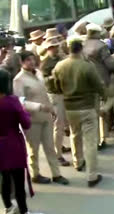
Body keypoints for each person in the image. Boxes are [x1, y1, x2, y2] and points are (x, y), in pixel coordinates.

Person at [53, 36, 105, 187]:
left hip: (70, 107)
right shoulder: (87, 66)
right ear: (81, 49)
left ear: (68, 50)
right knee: (90, 141)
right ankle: (92, 175)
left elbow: (55, 87)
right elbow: (98, 85)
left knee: (75, 135)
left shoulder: (60, 66)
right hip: (87, 106)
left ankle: (78, 162)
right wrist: (104, 96)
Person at [13, 51, 69, 185]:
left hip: (46, 116)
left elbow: (45, 92)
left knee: (50, 147)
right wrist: (39, 107)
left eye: (32, 59)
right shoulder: (18, 80)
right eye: (27, 60)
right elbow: (20, 102)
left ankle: (56, 174)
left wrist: (51, 108)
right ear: (21, 62)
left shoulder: (38, 73)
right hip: (32, 119)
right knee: (34, 149)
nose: (31, 62)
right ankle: (35, 174)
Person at [0, 69, 38, 214]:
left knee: (4, 179)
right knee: (18, 181)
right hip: (13, 144)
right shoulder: (12, 102)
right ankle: (23, 211)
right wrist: (23, 110)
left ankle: (8, 207)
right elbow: (26, 123)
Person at [83, 23, 114, 150]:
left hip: (87, 81)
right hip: (102, 80)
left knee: (92, 110)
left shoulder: (82, 45)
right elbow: (110, 64)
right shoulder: (101, 46)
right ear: (96, 33)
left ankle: (95, 139)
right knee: (110, 100)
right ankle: (102, 138)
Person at [40, 38, 70, 167]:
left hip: (61, 94)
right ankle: (57, 155)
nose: (56, 48)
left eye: (56, 46)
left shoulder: (57, 58)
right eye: (53, 47)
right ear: (48, 48)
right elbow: (47, 82)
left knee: (61, 125)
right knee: (58, 125)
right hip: (55, 95)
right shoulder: (46, 63)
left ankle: (59, 149)